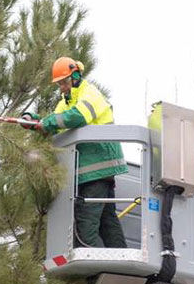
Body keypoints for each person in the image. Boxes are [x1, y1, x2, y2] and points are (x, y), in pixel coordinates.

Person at [22, 57, 128, 248]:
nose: (61, 87)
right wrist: (36, 122)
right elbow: (54, 122)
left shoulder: (90, 93)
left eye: (63, 82)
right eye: (59, 84)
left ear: (76, 76)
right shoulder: (66, 102)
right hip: (90, 174)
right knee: (108, 224)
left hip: (96, 170)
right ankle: (122, 272)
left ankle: (95, 274)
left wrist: (49, 123)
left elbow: (78, 116)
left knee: (85, 233)